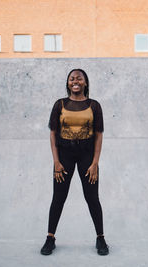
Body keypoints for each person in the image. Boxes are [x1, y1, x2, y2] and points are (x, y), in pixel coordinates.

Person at [40, 69, 109, 256]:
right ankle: (50, 238)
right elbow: (53, 133)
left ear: (85, 83)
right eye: (72, 78)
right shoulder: (59, 104)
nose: (75, 81)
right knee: (58, 197)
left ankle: (100, 238)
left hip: (87, 155)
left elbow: (99, 135)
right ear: (68, 83)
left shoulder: (94, 105)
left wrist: (95, 163)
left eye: (79, 78)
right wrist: (56, 161)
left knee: (92, 198)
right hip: (64, 156)